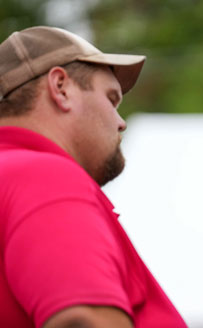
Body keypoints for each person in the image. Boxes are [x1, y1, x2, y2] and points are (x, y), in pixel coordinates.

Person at [0, 26, 186, 328]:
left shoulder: (12, 176)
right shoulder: (44, 177)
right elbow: (84, 321)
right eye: (111, 99)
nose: (121, 122)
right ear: (61, 87)